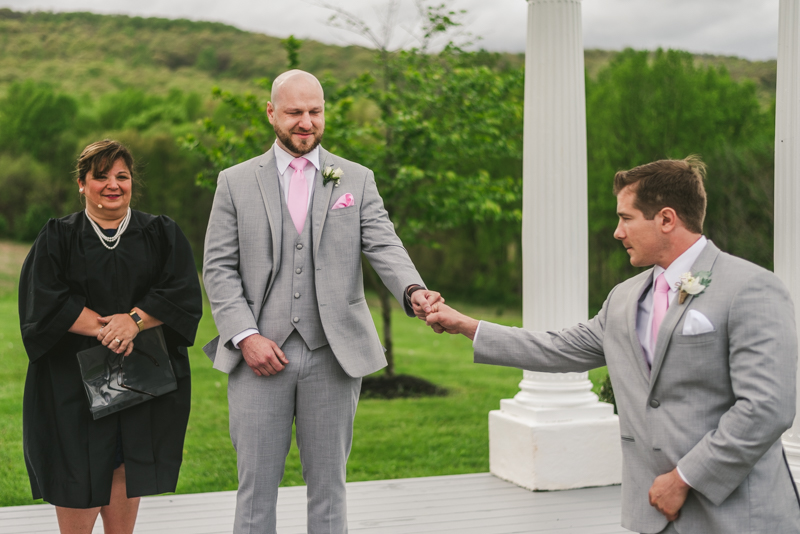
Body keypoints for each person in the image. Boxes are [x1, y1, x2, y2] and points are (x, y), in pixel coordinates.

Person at [425, 156, 800, 534]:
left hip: (738, 514)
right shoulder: (624, 298)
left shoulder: (752, 287)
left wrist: (684, 478)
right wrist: (470, 327)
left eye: (626, 218)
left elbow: (767, 407)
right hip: (653, 515)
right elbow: (559, 348)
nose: (617, 232)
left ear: (667, 219)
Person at [202, 69, 442, 534]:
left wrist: (414, 290)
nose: (306, 122)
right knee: (255, 491)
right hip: (257, 359)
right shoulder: (233, 182)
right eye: (294, 112)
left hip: (333, 356)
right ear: (272, 113)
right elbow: (218, 267)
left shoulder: (356, 178)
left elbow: (384, 246)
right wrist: (246, 336)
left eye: (315, 111)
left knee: (330, 489)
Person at [18, 139, 203, 534]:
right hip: (70, 380)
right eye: (100, 177)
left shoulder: (160, 233)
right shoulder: (58, 237)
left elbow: (181, 292)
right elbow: (43, 301)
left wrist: (133, 320)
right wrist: (114, 328)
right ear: (82, 184)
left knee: (125, 460)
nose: (113, 184)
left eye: (122, 176)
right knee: (75, 463)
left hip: (139, 376)